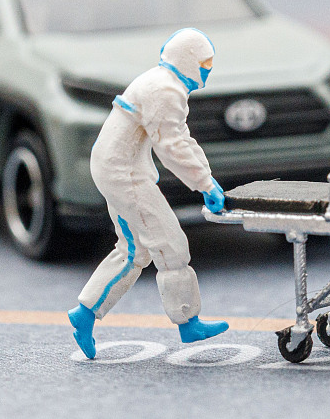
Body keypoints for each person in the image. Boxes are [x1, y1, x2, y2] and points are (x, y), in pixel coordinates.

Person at [68, 28, 228, 359]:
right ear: (187, 60)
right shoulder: (165, 91)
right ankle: (188, 321)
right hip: (124, 174)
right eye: (204, 63)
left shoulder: (162, 82)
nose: (208, 70)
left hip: (114, 168)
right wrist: (204, 183)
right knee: (171, 244)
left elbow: (182, 138)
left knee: (133, 251)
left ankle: (85, 313)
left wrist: (207, 178)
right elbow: (171, 146)